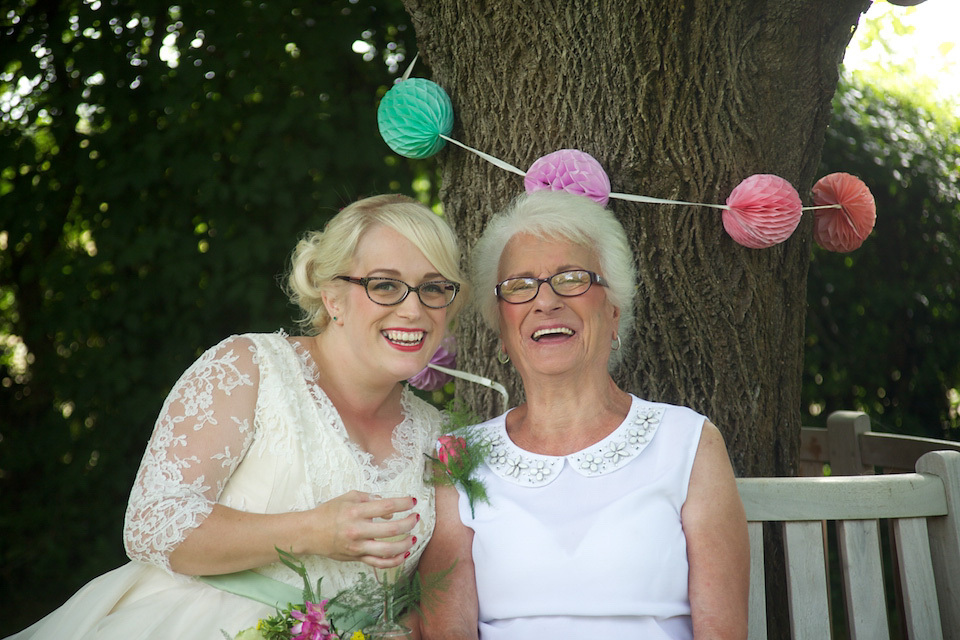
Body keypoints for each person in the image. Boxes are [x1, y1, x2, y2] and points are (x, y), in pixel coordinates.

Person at [7, 194, 467, 640]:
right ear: (333, 298)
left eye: (433, 288)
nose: (414, 309)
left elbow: (432, 589)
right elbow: (152, 525)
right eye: (384, 284)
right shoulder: (249, 368)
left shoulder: (439, 435)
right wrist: (313, 531)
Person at [416, 190, 749, 639]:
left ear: (613, 312)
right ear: (501, 330)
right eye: (520, 286)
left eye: (572, 278)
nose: (545, 301)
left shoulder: (689, 443)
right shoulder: (459, 458)